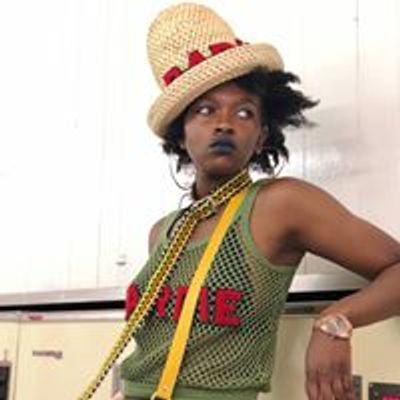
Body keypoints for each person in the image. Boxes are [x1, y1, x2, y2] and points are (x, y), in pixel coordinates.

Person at [119, 3, 400, 400]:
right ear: (181, 134)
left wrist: (336, 320)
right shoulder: (163, 232)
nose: (224, 123)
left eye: (244, 112)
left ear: (262, 136)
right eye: (205, 110)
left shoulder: (278, 204)